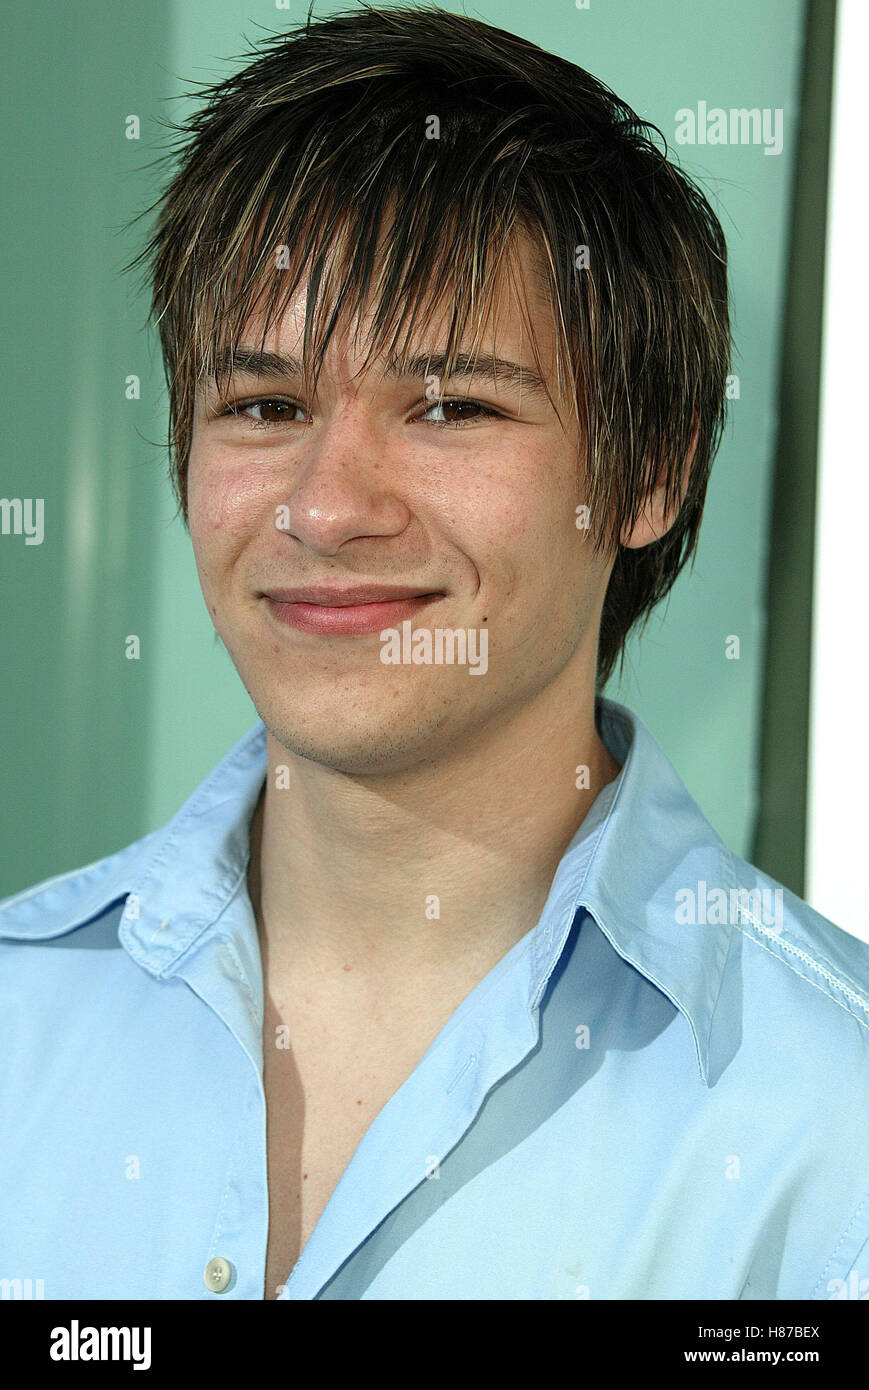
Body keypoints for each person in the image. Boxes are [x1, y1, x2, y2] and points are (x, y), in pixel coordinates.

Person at [2, 3, 867, 1302]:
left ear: (650, 468)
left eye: (449, 405)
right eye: (265, 404)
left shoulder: (827, 1122)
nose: (329, 503)